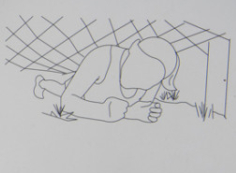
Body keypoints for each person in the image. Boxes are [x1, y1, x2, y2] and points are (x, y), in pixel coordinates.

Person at [33, 37, 179, 123]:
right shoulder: (102, 57)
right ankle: (42, 83)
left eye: (151, 77)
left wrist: (146, 113)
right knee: (61, 89)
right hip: (86, 88)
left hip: (96, 92)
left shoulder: (153, 83)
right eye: (139, 65)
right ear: (130, 52)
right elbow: (67, 102)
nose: (141, 78)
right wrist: (107, 112)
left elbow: (140, 108)